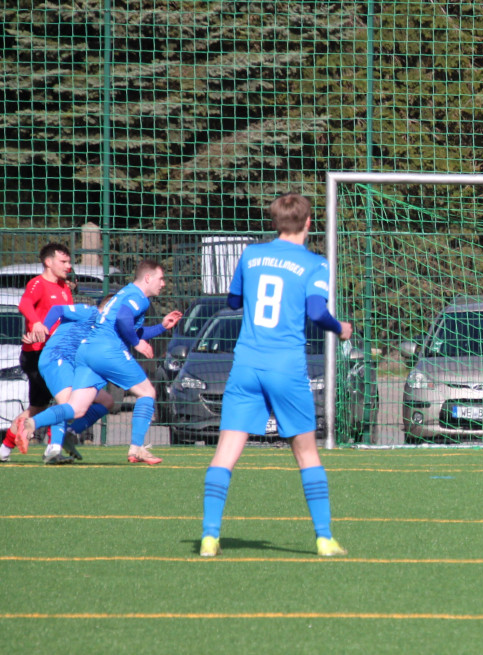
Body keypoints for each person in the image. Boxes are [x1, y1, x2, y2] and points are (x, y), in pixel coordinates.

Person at [199, 192, 354, 558]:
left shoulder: (251, 255)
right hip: (285, 367)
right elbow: (317, 313)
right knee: (306, 454)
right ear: (308, 223)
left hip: (246, 365)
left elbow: (233, 301)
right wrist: (340, 327)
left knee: (225, 454)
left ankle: (208, 537)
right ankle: (324, 538)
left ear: (275, 223)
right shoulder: (315, 264)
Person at [19, 260, 181, 465]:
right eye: (161, 278)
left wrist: (161, 326)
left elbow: (131, 328)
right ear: (148, 278)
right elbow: (124, 320)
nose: (163, 283)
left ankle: (32, 424)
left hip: (88, 351)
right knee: (147, 393)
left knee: (76, 408)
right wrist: (136, 343)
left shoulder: (125, 294)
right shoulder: (138, 297)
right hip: (107, 350)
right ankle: (137, 448)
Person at [0, 243, 73, 462]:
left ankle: (4, 448)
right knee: (65, 400)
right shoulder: (38, 284)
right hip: (38, 354)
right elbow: (25, 304)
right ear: (48, 262)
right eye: (63, 262)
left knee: (37, 408)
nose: (68, 266)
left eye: (69, 262)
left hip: (56, 354)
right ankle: (54, 446)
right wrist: (37, 323)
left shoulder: (64, 288)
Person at [26, 300, 118, 465]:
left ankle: (69, 433)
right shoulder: (89, 312)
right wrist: (43, 332)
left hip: (74, 367)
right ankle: (52, 448)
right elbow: (57, 309)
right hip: (57, 357)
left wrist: (161, 327)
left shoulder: (104, 328)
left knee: (106, 401)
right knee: (67, 403)